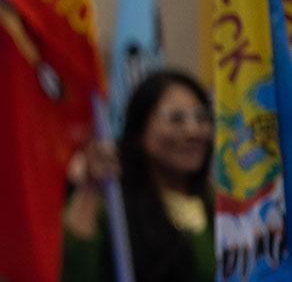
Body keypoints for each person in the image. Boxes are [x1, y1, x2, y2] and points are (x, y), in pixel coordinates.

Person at [62, 69, 214, 282]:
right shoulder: (112, 207)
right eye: (176, 118)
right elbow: (74, 271)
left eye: (201, 117)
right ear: (140, 130)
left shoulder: (219, 202)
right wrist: (89, 189)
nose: (193, 131)